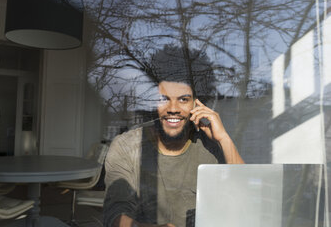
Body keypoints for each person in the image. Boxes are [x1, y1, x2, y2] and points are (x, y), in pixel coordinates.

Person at [103, 76, 244, 227]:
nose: (173, 109)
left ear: (196, 105)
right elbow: (115, 216)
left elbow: (244, 200)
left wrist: (224, 139)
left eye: (183, 99)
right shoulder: (126, 146)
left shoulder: (211, 145)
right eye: (164, 99)